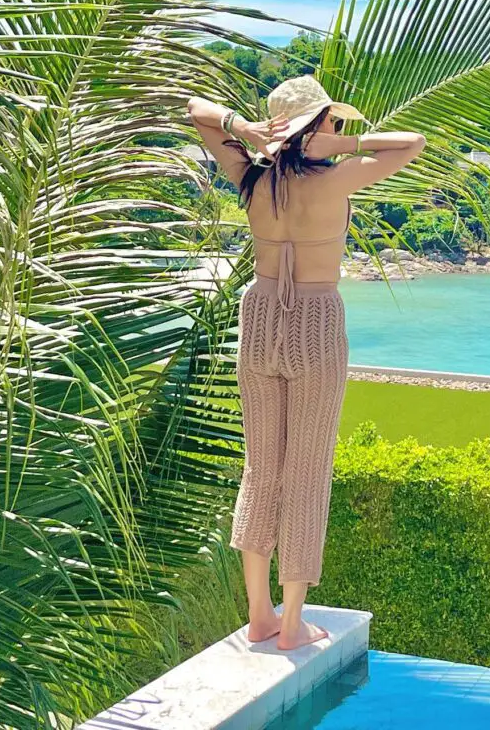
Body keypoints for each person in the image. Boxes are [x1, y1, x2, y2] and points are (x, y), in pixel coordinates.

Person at [186, 75, 425, 651]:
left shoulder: (250, 175)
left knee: (260, 466)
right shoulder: (339, 177)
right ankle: (292, 625)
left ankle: (259, 613)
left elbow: (196, 111)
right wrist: (333, 146)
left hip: (260, 315)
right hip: (315, 321)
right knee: (306, 472)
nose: (340, 130)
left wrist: (242, 131)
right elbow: (410, 142)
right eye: (332, 122)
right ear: (317, 126)